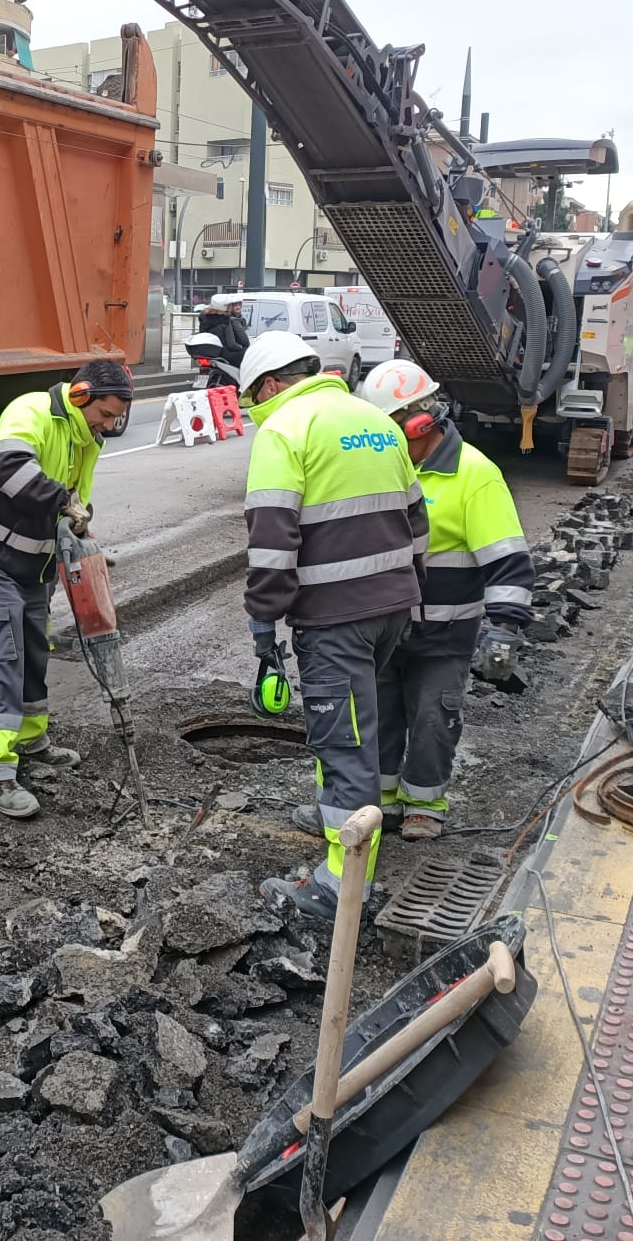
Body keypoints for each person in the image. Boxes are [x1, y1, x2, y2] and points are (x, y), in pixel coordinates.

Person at [288, 361, 535, 842]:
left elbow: (508, 561)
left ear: (420, 423)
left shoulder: (474, 475)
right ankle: (374, 805)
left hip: (444, 636)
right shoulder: (385, 467)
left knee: (432, 720)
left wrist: (503, 628)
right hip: (383, 628)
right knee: (374, 720)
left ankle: (424, 805)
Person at [238, 331, 427, 925]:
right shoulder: (376, 422)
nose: (253, 414)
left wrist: (264, 620)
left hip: (335, 619)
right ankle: (338, 816)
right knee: (352, 725)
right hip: (392, 605)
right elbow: (417, 519)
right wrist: (404, 588)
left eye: (252, 401)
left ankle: (342, 890)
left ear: (269, 386)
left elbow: (272, 541)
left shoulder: (286, 430)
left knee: (341, 740)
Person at [0, 359, 134, 818]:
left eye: (115, 418)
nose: (109, 426)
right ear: (80, 396)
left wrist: (80, 538)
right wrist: (66, 504)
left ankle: (30, 739)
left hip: (33, 563)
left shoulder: (85, 439)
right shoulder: (31, 411)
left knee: (34, 644)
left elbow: (74, 507)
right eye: (105, 414)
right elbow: (12, 469)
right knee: (3, 646)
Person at [197, 299, 250, 372]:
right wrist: (240, 347)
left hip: (208, 353)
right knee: (247, 354)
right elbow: (231, 344)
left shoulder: (204, 319)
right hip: (223, 353)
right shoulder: (225, 321)